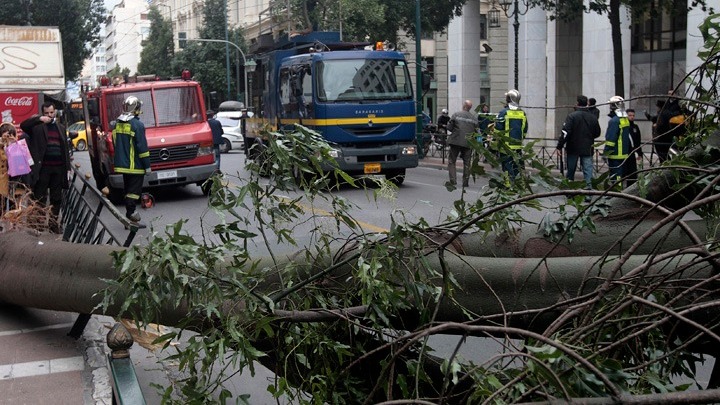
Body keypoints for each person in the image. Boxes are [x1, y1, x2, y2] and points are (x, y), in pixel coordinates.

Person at [20, 102, 71, 233]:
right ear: (43, 113)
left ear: (55, 112)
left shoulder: (60, 127)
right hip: (43, 169)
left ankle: (53, 224)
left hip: (58, 169)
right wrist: (38, 119)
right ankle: (38, 223)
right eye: (46, 113)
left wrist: (68, 169)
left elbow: (65, 148)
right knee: (39, 197)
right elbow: (23, 125)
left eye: (51, 112)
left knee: (56, 198)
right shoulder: (37, 127)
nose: (49, 115)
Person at [112, 96, 151, 223]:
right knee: (134, 191)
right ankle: (131, 213)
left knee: (128, 189)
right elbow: (142, 147)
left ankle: (129, 216)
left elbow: (115, 142)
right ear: (137, 108)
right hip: (135, 165)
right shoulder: (137, 125)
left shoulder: (118, 124)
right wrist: (147, 166)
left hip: (122, 165)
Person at [556, 95, 601, 191]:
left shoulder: (572, 116)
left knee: (571, 170)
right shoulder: (592, 117)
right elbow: (597, 133)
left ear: (577, 104)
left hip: (573, 147)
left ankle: (570, 190)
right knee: (588, 171)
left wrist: (559, 146)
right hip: (588, 148)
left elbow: (565, 132)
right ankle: (588, 190)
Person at [495, 89, 528, 183]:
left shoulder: (503, 112)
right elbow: (525, 130)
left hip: (505, 146)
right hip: (517, 145)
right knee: (517, 165)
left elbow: (498, 129)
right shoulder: (522, 113)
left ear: (509, 99)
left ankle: (508, 185)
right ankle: (518, 184)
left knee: (507, 166)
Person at [445, 100, 478, 188]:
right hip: (468, 142)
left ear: (464, 106)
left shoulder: (456, 114)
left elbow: (449, 127)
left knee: (452, 161)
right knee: (467, 163)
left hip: (456, 141)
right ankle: (465, 182)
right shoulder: (474, 118)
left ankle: (453, 180)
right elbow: (477, 132)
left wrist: (455, 131)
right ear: (470, 108)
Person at [603, 96, 632, 188]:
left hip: (615, 152)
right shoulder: (624, 119)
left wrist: (605, 153)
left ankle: (617, 191)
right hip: (623, 152)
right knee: (620, 174)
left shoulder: (614, 121)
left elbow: (611, 139)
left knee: (615, 175)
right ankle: (619, 189)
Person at [655, 94, 686, 162]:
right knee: (662, 152)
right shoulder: (663, 112)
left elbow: (672, 115)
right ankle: (665, 163)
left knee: (663, 152)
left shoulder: (665, 112)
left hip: (664, 135)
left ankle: (666, 164)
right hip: (661, 135)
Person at [623, 108, 643, 186]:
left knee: (633, 173)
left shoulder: (635, 127)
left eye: (633, 115)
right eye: (630, 115)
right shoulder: (624, 127)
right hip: (625, 153)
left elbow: (638, 141)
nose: (632, 117)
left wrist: (639, 153)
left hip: (633, 152)